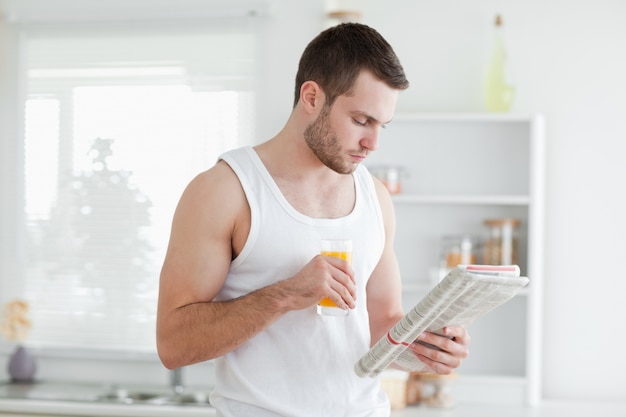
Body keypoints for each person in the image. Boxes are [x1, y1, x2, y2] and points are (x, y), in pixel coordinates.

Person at [157, 22, 470, 417]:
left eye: (381, 126)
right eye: (361, 120)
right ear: (311, 96)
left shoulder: (376, 198)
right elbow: (173, 344)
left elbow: (381, 324)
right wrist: (286, 295)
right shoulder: (225, 191)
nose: (373, 143)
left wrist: (427, 346)